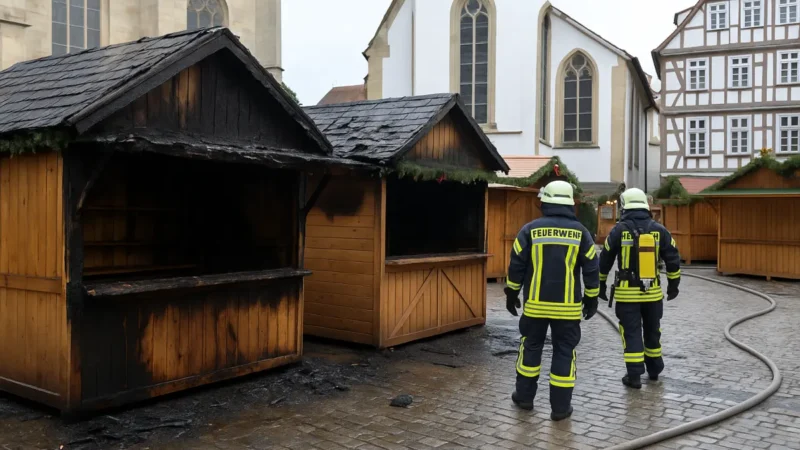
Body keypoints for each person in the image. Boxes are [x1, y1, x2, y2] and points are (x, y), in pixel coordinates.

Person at [504, 180, 599, 421]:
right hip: (567, 309)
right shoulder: (581, 233)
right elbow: (591, 268)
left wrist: (512, 293)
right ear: (570, 204)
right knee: (564, 351)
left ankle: (524, 398)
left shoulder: (530, 230)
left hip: (535, 306)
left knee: (531, 349)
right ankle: (560, 408)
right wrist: (591, 298)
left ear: (544, 201)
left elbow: (516, 264)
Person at [598, 188, 681, 389]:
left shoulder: (618, 230)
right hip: (652, 294)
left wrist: (600, 284)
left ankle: (634, 376)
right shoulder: (660, 230)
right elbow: (673, 258)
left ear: (625, 206)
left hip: (627, 296)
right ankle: (654, 370)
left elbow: (605, 259)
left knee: (632, 332)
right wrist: (673, 285)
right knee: (653, 330)